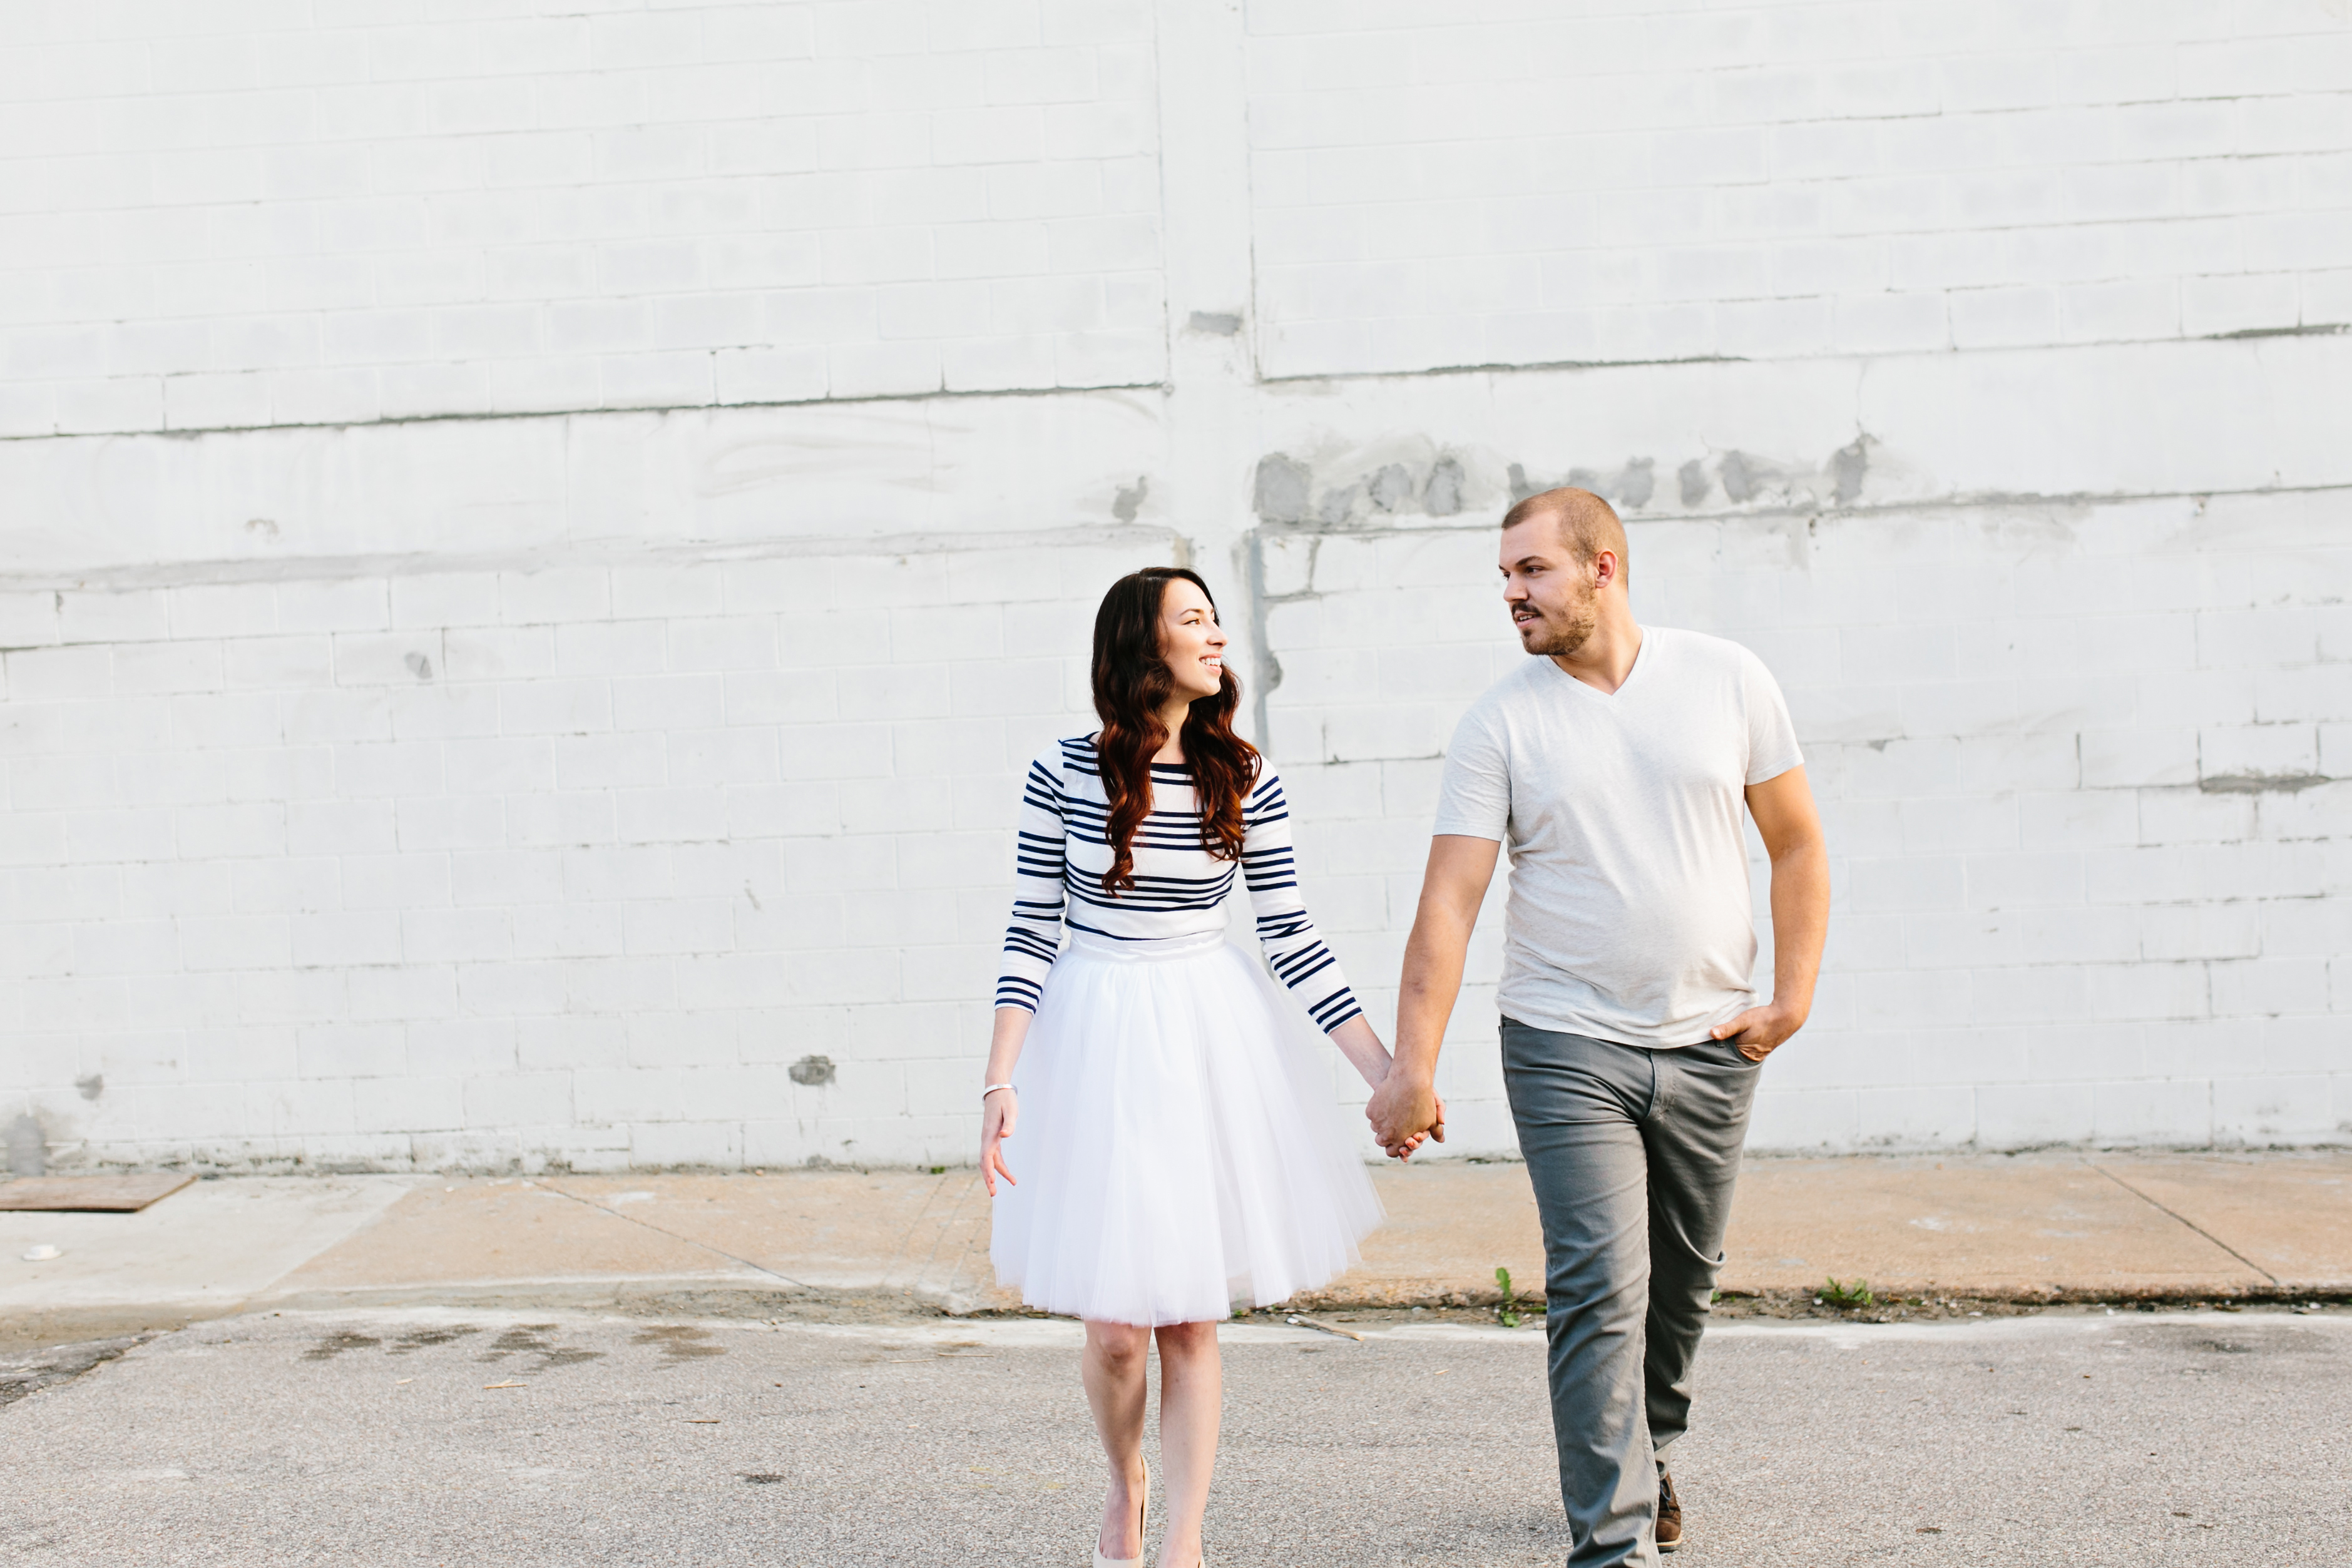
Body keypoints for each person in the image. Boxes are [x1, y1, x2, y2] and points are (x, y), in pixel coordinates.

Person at [1367, 488, 1830, 1564]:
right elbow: (1449, 903)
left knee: (1683, 1283)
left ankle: (1650, 1443)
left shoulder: (1727, 678)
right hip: (1563, 1040)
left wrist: (1793, 995)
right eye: (1503, 577)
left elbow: (1797, 843)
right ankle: (1610, 1543)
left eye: (1530, 572)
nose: (1511, 595)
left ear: (1602, 567)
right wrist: (1413, 1066)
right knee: (1597, 1286)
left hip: (1715, 1041)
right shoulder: (1501, 721)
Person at [980, 566, 1436, 1568]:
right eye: (1193, 620)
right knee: (1112, 1327)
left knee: (1187, 1315)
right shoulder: (1061, 769)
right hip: (1095, 1034)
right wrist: (999, 1080)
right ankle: (1125, 1479)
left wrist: (1386, 1076)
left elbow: (1294, 940)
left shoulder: (1245, 773)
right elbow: (1028, 930)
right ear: (1142, 646)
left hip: (1201, 1039)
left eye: (1216, 617)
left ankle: (1181, 1539)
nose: (1217, 634)